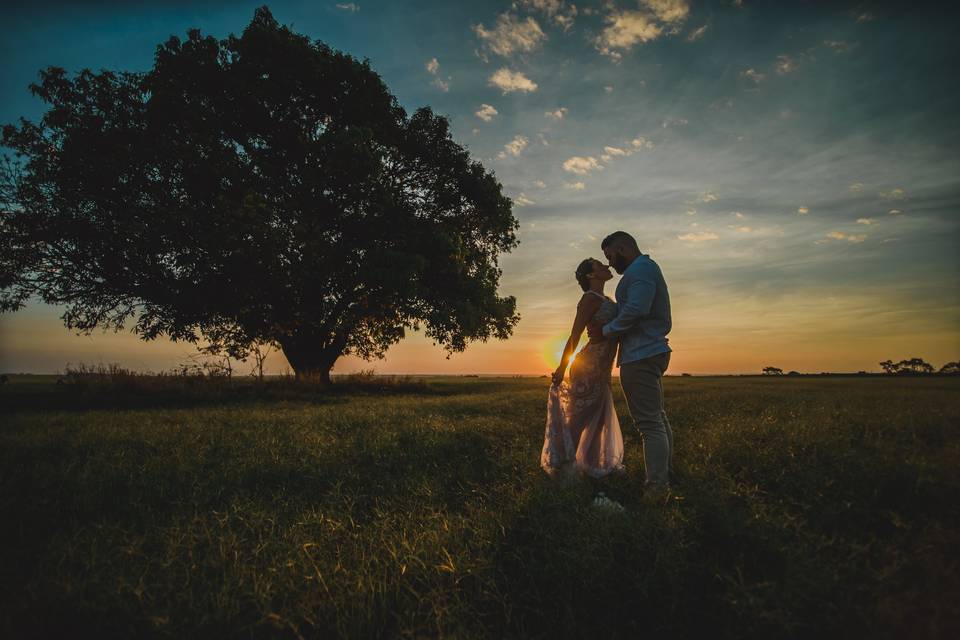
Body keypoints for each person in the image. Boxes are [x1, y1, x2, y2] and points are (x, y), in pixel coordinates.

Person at [587, 231, 673, 504]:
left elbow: (637, 309)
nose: (610, 263)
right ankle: (667, 473)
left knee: (649, 425)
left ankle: (656, 488)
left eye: (611, 256)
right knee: (657, 418)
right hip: (647, 351)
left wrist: (606, 331)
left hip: (641, 354)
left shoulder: (641, 270)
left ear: (623, 247)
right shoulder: (642, 270)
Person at [541, 258, 625, 479]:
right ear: (590, 275)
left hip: (603, 368)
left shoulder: (608, 299)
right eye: (599, 265)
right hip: (587, 366)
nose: (606, 266)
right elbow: (575, 335)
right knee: (578, 418)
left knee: (598, 421)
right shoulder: (589, 299)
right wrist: (561, 367)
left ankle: (590, 465)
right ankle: (563, 465)